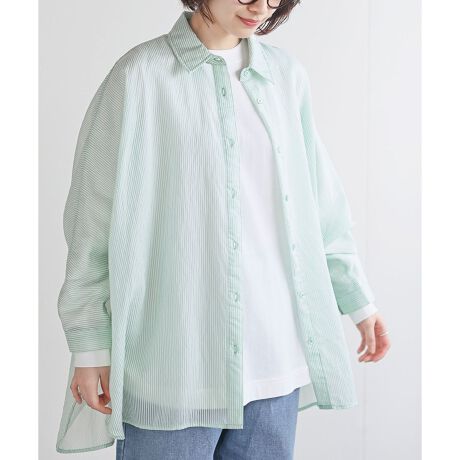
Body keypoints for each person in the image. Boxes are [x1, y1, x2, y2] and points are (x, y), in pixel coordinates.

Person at [55, 1, 391, 458]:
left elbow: (320, 202)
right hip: (174, 364)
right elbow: (92, 221)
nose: (261, 7)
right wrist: (90, 344)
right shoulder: (139, 77)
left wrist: (359, 300)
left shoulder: (285, 77)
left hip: (275, 360)